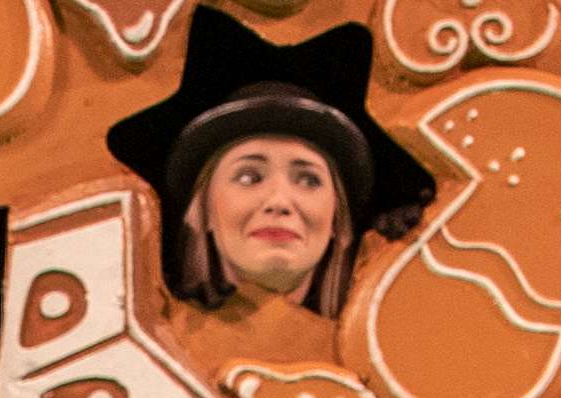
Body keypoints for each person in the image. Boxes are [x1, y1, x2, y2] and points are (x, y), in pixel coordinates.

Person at [151, 82, 387, 329]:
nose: (278, 202)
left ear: (337, 220)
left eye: (309, 180)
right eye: (248, 177)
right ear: (202, 211)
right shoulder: (148, 337)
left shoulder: (388, 346)